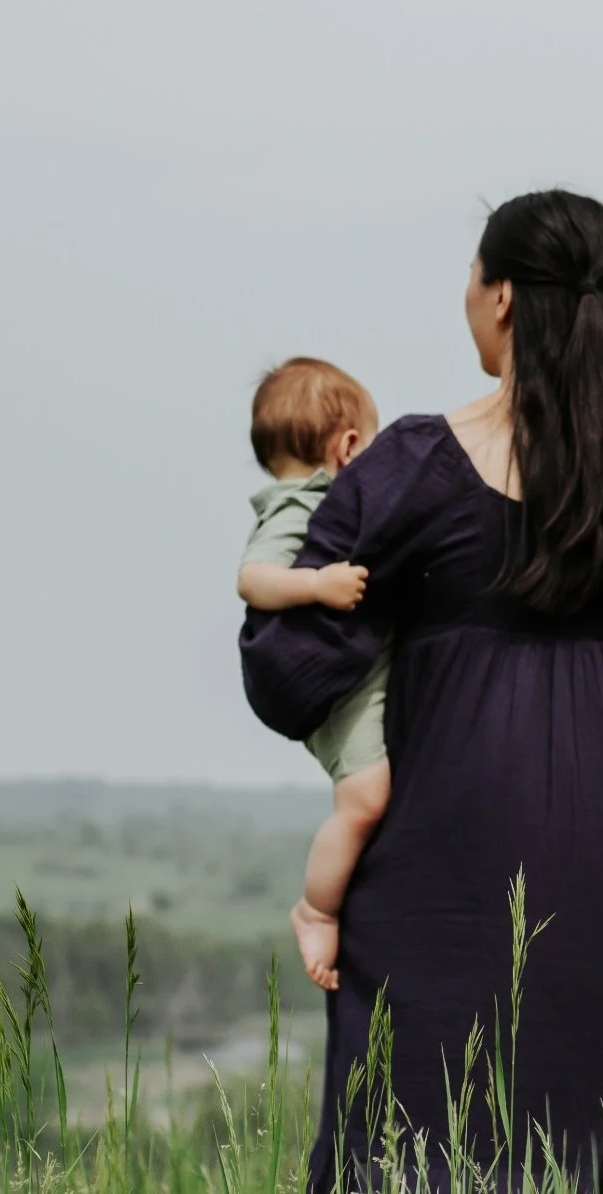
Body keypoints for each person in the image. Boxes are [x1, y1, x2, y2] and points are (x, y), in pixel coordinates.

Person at [237, 190, 603, 1194]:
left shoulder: (411, 465)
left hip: (436, 861)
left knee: (406, 1150)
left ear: (497, 299)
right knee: (563, 1155)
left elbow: (283, 670)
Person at [234, 356, 389, 993]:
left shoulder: (324, 503)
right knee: (364, 800)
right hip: (341, 694)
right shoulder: (297, 508)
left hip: (355, 679)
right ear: (348, 446)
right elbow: (252, 577)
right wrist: (316, 583)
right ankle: (315, 908)